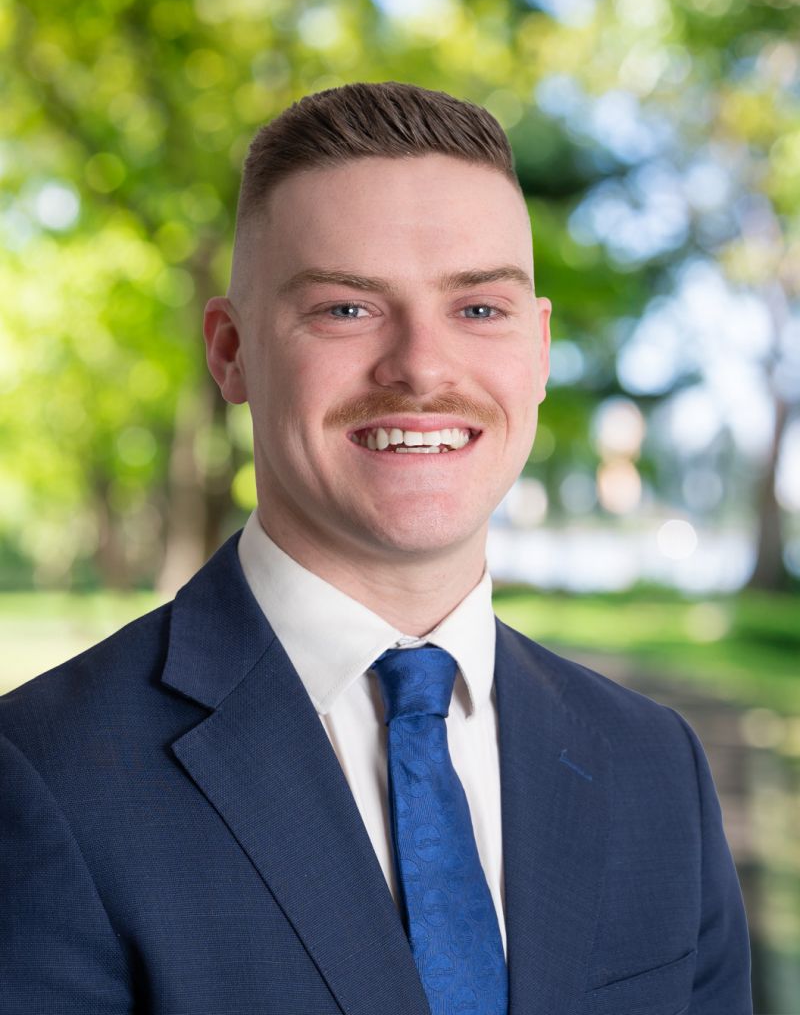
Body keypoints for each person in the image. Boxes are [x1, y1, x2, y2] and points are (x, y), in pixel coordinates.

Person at [0, 82, 751, 1014]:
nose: (422, 368)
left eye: (479, 309)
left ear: (539, 349)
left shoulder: (657, 766)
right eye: (346, 309)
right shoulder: (42, 776)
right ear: (230, 351)